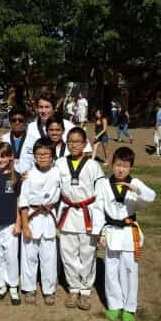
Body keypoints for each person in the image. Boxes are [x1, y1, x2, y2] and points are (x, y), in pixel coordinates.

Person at [93, 147, 156, 321]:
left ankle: (129, 307)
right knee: (111, 270)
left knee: (130, 270)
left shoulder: (135, 182)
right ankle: (114, 304)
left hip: (129, 232)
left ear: (131, 168)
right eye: (118, 165)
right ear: (112, 164)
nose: (121, 169)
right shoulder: (103, 184)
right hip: (111, 231)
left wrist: (136, 189)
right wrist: (100, 233)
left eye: (125, 166)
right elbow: (97, 209)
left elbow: (151, 197)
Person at [55, 127, 105, 310]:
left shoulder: (93, 166)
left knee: (87, 254)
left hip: (87, 215)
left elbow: (101, 195)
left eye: (77, 141)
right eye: (70, 141)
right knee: (67, 254)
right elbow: (50, 183)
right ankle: (73, 288)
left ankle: (85, 291)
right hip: (68, 213)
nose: (73, 145)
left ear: (85, 144)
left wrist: (100, 223)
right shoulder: (59, 163)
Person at [19, 137, 61, 306]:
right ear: (34, 156)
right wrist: (25, 225)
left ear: (52, 156)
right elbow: (22, 201)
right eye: (39, 154)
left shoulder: (58, 172)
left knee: (49, 257)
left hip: (49, 218)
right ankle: (29, 288)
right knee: (29, 256)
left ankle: (48, 290)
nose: (43, 157)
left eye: (46, 154)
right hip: (32, 217)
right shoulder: (28, 175)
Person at [0, 143, 22, 305]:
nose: (0, 159)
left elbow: (20, 202)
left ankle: (13, 285)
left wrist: (18, 223)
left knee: (11, 256)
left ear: (11, 157)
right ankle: (0, 284)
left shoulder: (17, 177)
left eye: (3, 156)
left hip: (10, 223)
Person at [23, 90, 92, 170]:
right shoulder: (31, 128)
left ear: (54, 108)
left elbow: (86, 151)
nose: (43, 111)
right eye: (40, 107)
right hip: (40, 175)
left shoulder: (69, 126)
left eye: (47, 107)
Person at [2, 106, 31, 174]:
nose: (17, 122)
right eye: (14, 120)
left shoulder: (33, 141)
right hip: (8, 177)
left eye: (20, 120)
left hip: (27, 179)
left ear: (25, 121)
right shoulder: (3, 140)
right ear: (10, 121)